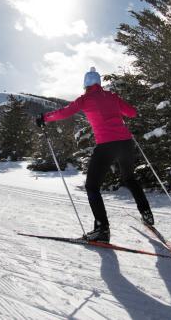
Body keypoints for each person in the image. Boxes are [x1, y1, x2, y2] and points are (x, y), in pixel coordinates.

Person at [36, 67, 154, 243]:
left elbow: (64, 113)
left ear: (85, 85)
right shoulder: (112, 96)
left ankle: (102, 229)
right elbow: (132, 112)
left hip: (106, 145)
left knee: (92, 187)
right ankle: (146, 213)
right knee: (129, 178)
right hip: (126, 143)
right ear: (99, 83)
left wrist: (44, 117)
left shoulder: (84, 100)